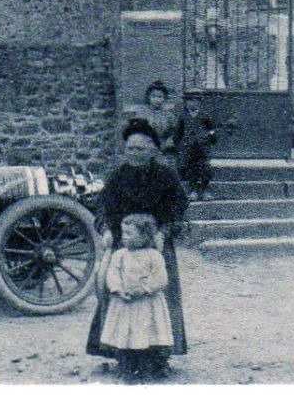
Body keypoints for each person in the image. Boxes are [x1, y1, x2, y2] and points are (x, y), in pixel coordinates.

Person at [87, 119, 189, 377]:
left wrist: (164, 231)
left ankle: (159, 357)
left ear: (154, 150)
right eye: (130, 148)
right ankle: (121, 354)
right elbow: (103, 208)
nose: (134, 154)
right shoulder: (118, 175)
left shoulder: (166, 176)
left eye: (140, 149)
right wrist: (106, 230)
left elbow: (179, 208)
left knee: (159, 300)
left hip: (156, 245)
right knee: (120, 298)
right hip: (125, 244)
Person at [95, 213, 176, 382]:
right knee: (125, 334)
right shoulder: (120, 255)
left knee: (146, 335)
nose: (124, 237)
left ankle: (148, 368)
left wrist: (145, 289)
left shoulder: (154, 256)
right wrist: (117, 289)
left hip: (147, 303)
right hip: (124, 303)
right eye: (123, 233)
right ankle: (127, 367)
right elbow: (113, 273)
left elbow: (161, 278)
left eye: (129, 233)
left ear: (145, 236)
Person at [176, 94, 216, 200]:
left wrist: (210, 138)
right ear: (186, 103)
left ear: (200, 102)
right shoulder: (183, 116)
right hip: (188, 147)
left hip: (202, 147)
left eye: (196, 101)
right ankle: (193, 190)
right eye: (190, 101)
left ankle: (206, 189)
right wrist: (179, 145)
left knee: (204, 168)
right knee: (191, 168)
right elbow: (178, 133)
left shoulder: (204, 115)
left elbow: (211, 129)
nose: (193, 103)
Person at [140, 81, 184, 168]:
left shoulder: (169, 115)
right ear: (149, 97)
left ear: (164, 98)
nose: (157, 100)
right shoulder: (142, 114)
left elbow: (176, 131)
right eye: (154, 96)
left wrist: (171, 140)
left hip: (165, 150)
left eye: (160, 97)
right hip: (146, 148)